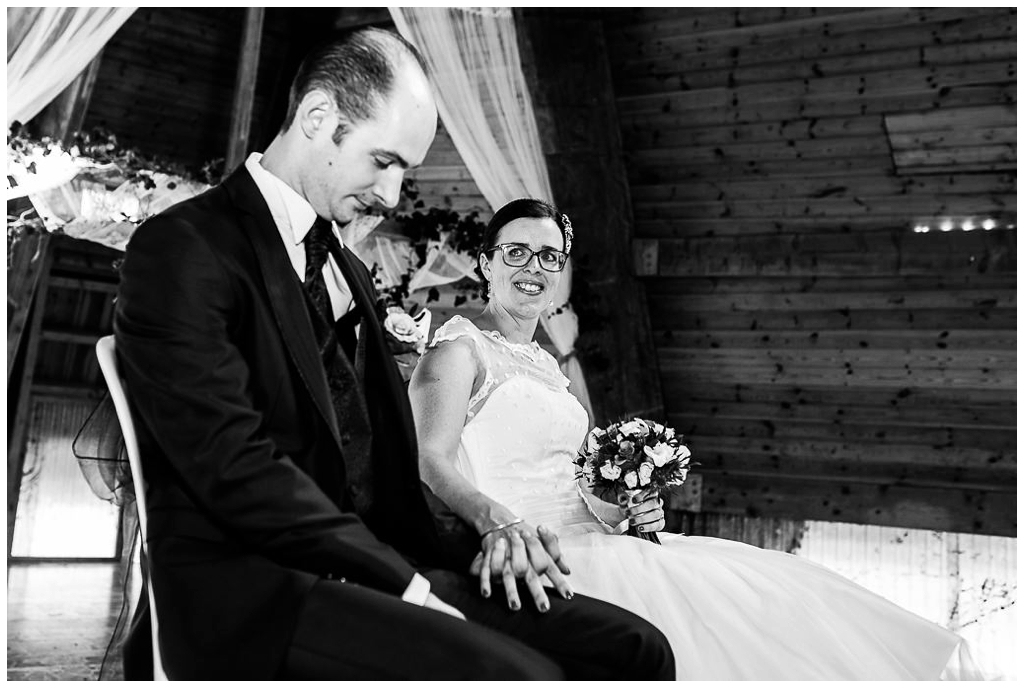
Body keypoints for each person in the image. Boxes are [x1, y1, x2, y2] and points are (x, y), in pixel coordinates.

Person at [114, 29, 675, 680]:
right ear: (318, 116)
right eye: (384, 160)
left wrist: (486, 534)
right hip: (256, 592)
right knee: (525, 676)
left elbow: (379, 455)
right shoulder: (185, 248)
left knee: (638, 648)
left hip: (380, 560)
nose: (391, 192)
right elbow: (235, 468)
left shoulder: (345, 266)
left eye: (404, 167)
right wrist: (406, 583)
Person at [408, 197, 989, 680]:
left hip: (600, 537)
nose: (532, 267)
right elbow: (431, 461)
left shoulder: (551, 367)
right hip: (539, 550)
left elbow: (568, 479)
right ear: (485, 262)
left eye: (549, 256)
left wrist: (624, 505)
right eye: (515, 252)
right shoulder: (458, 350)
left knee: (773, 603)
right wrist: (498, 522)